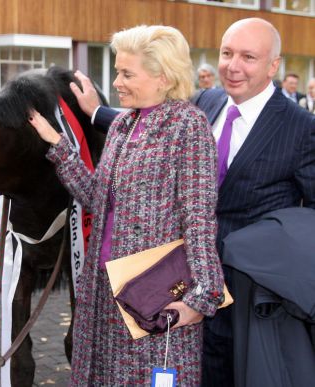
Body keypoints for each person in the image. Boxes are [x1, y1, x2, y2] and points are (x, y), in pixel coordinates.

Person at [85, 18, 315, 386]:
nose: (233, 65)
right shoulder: (204, 102)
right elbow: (153, 127)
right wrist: (98, 113)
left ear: (274, 65)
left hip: (247, 292)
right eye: (227, 53)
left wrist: (269, 255)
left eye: (249, 57)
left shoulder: (302, 128)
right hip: (176, 283)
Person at [28, 25, 224, 385]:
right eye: (118, 71)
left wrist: (202, 297)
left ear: (162, 77)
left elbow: (198, 217)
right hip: (103, 289)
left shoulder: (188, 126)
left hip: (152, 297)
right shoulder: (122, 125)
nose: (116, 82)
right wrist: (58, 145)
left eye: (126, 73)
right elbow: (97, 200)